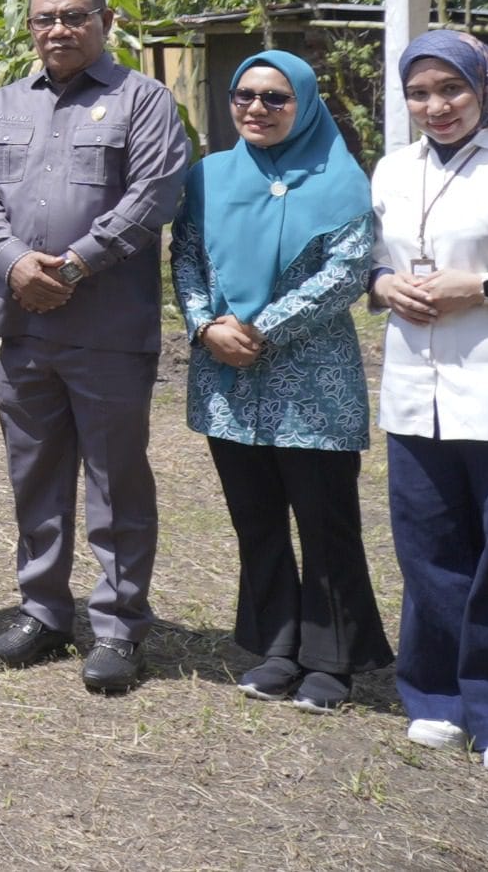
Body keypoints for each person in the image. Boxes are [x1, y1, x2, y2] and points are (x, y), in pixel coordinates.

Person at [0, 0, 190, 695]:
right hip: (23, 330)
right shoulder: (4, 106)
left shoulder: (142, 102)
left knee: (115, 479)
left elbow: (155, 191)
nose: (56, 30)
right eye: (42, 20)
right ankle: (43, 612)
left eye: (72, 17)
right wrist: (10, 260)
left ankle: (120, 627)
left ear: (106, 20)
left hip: (108, 330)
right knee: (35, 475)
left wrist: (73, 266)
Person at [175, 50, 389, 713]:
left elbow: (349, 270)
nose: (257, 109)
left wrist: (262, 328)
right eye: (245, 96)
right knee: (256, 519)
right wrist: (206, 323)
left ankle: (333, 660)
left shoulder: (343, 179)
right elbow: (183, 256)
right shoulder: (208, 177)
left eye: (275, 98)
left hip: (311, 382)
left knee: (325, 522)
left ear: (304, 103)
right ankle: (276, 645)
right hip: (227, 381)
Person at [368, 30, 488, 780]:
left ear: (485, 86)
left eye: (451, 89)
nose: (435, 106)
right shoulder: (393, 168)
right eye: (419, 92)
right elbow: (378, 254)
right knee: (429, 548)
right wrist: (381, 286)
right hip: (416, 389)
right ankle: (436, 696)